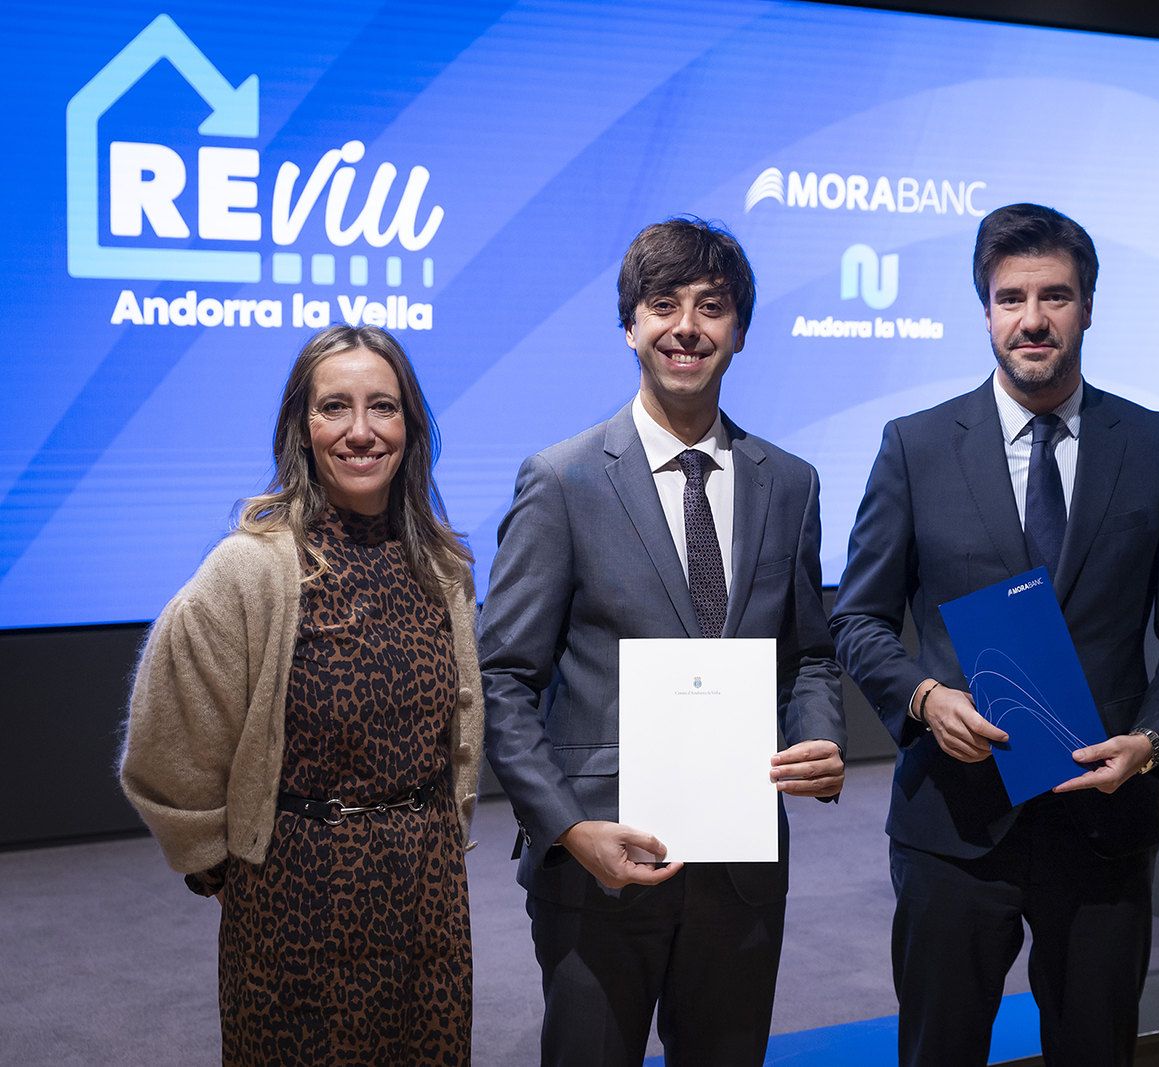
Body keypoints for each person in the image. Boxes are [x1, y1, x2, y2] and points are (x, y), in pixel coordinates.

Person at [830, 202, 1159, 1065]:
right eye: (1012, 298)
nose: (1033, 319)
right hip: (954, 821)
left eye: (1055, 296)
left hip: (1105, 817)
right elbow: (858, 617)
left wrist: (1153, 740)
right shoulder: (916, 446)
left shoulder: (1152, 445)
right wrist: (924, 698)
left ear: (1087, 307)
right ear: (986, 311)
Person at [477, 217, 846, 1066]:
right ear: (630, 326)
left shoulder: (789, 483)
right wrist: (567, 828)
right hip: (599, 862)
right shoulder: (562, 479)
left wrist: (821, 736)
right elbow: (502, 677)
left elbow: (810, 654)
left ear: (739, 331)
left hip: (741, 868)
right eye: (663, 304)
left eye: (712, 306)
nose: (687, 326)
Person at [120, 325, 482, 1065]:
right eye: (334, 407)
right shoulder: (248, 569)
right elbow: (170, 739)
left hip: (428, 899)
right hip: (293, 905)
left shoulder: (442, 569)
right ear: (301, 427)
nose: (361, 431)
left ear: (410, 427)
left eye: (383, 407)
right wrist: (217, 870)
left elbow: (456, 735)